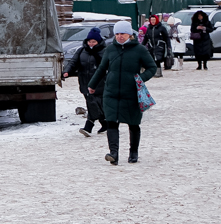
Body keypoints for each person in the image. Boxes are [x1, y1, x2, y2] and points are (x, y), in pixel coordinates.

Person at [88, 19, 158, 165]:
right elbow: (102, 68)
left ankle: (133, 152)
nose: (120, 36)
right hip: (111, 92)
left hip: (131, 93)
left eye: (123, 34)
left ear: (129, 35)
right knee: (112, 123)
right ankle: (114, 153)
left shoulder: (139, 50)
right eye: (118, 33)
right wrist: (92, 84)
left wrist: (140, 79)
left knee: (133, 124)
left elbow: (152, 67)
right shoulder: (110, 49)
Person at [64, 28, 107, 136]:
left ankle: (89, 126)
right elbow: (73, 62)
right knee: (94, 104)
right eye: (89, 41)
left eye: (94, 42)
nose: (91, 44)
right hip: (84, 82)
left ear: (98, 41)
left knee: (93, 103)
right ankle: (105, 124)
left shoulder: (104, 51)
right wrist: (67, 71)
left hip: (99, 83)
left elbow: (107, 65)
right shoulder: (81, 50)